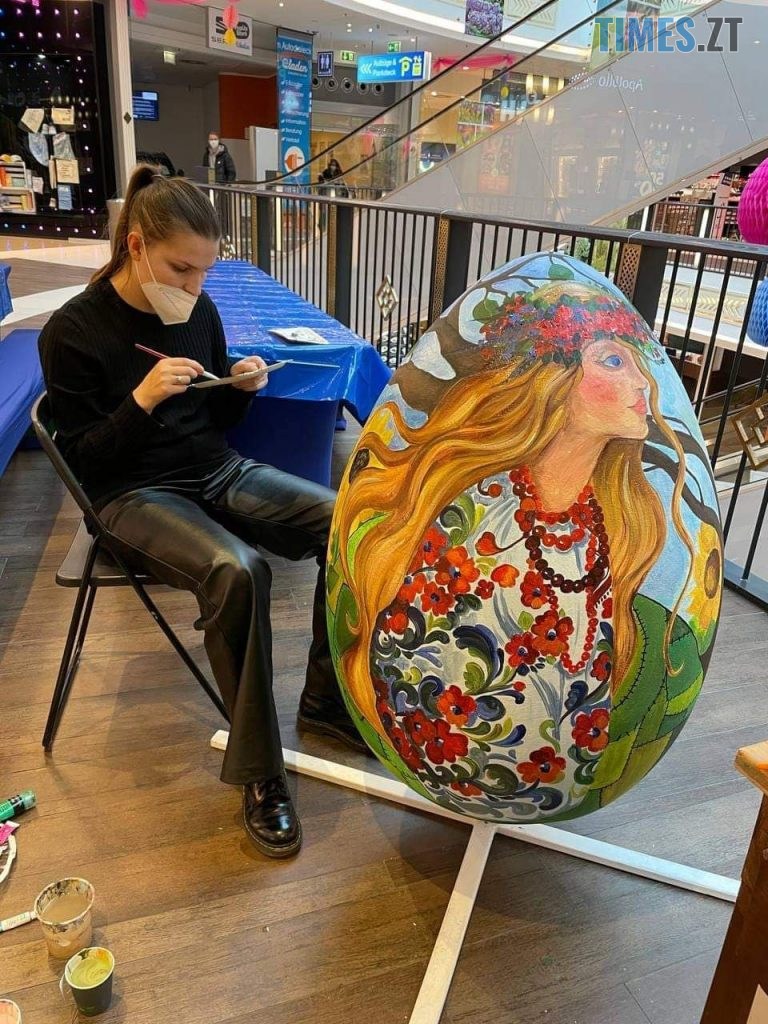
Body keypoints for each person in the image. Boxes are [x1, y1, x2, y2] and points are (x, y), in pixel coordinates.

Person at [38, 166, 366, 858]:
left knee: (347, 523)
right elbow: (86, 464)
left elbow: (211, 423)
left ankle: (326, 702)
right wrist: (141, 400)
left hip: (214, 470)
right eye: (181, 269)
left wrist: (239, 389)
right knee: (237, 571)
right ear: (135, 246)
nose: (193, 287)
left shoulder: (199, 312)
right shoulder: (73, 331)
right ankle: (262, 774)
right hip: (129, 496)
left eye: (204, 271)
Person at [328, 264, 722, 821]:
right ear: (553, 380)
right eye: (613, 361)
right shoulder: (478, 528)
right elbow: (421, 677)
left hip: (554, 776)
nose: (646, 384)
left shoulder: (607, 519)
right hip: (453, 761)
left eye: (637, 362)